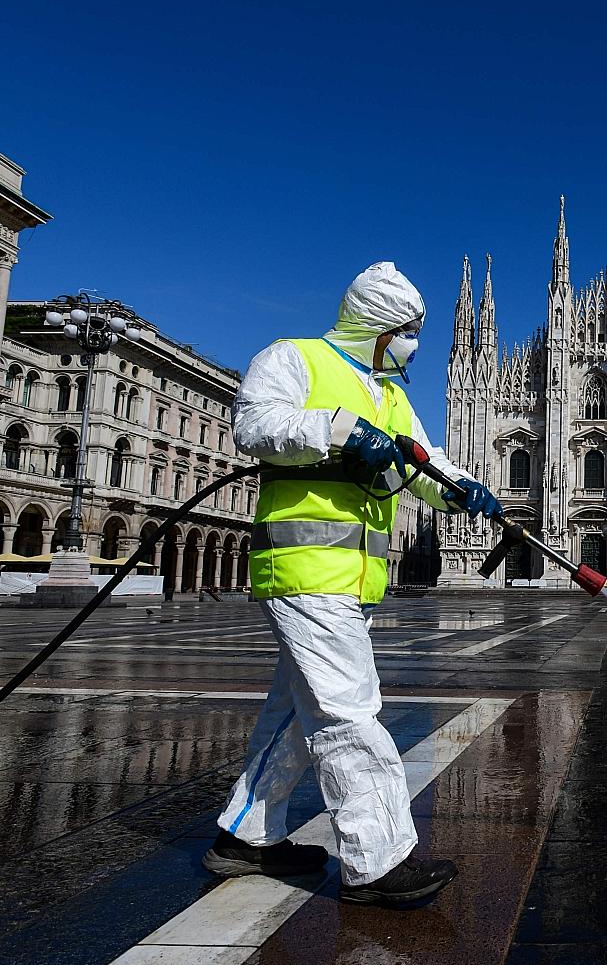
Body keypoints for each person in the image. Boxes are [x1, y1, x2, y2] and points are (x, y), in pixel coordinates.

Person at [202, 261, 503, 907]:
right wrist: (337, 434)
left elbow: (425, 462)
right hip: (304, 570)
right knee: (348, 714)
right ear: (378, 324)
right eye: (409, 330)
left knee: (294, 716)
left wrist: (464, 490)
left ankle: (245, 836)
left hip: (353, 580)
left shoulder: (389, 394)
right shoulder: (295, 357)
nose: (414, 344)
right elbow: (255, 426)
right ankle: (378, 861)